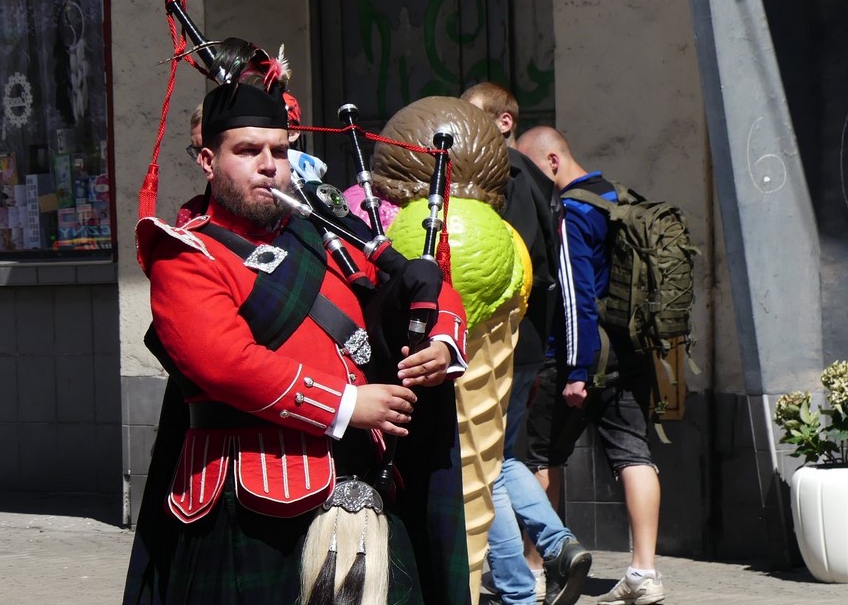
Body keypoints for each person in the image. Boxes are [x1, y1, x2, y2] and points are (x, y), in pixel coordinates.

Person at [124, 79, 471, 604]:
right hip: (249, 505)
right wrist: (348, 404)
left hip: (364, 480)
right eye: (247, 151)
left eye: (279, 151)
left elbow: (417, 286)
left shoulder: (325, 230)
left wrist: (442, 341)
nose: (269, 165)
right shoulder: (185, 255)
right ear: (208, 161)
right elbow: (226, 365)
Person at [517, 126, 665, 605]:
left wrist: (577, 371)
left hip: (577, 357)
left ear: (553, 161)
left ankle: (535, 571)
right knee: (634, 456)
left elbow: (575, 294)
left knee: (541, 458)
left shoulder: (572, 211)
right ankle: (644, 572)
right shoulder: (617, 198)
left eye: (530, 170)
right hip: (628, 351)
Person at [461, 83, 590, 605]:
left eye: (472, 120)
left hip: (500, 340)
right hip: (524, 342)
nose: (463, 133)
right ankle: (557, 545)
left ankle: (516, 587)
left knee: (479, 466)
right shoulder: (534, 179)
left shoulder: (507, 177)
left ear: (504, 123)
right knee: (500, 458)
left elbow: (501, 266)